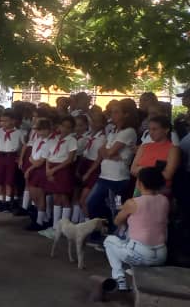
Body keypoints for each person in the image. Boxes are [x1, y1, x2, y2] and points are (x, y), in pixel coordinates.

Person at [104, 168, 169, 291]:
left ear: (139, 183)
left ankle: (120, 279)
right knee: (130, 238)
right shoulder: (165, 200)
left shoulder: (133, 202)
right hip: (161, 254)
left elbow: (117, 221)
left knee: (109, 241)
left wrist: (124, 215)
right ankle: (135, 274)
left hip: (141, 254)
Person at [86, 100, 139, 233]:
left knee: (115, 207)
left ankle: (114, 234)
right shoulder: (113, 131)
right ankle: (104, 231)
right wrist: (110, 154)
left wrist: (109, 154)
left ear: (126, 115)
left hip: (118, 178)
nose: (112, 115)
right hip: (105, 175)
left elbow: (108, 151)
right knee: (93, 203)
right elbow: (102, 151)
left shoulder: (128, 131)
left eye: (116, 112)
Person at [40, 117, 79, 237]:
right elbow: (48, 156)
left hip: (63, 169)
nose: (65, 129)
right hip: (52, 168)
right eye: (63, 126)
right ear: (59, 126)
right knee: (56, 197)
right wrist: (48, 170)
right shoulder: (54, 139)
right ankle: (55, 226)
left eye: (68, 127)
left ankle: (64, 228)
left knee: (64, 197)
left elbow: (70, 159)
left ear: (72, 129)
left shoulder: (71, 140)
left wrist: (54, 170)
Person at [131, 115, 180, 190]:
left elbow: (167, 175)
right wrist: (154, 170)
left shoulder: (173, 150)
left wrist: (142, 169)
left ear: (166, 130)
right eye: (149, 129)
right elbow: (133, 170)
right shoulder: (144, 147)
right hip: (140, 189)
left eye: (154, 129)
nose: (151, 132)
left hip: (160, 191)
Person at [0, 111, 25, 212]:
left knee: (9, 181)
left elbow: (24, 145)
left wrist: (21, 157)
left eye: (6, 121)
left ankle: (8, 202)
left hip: (11, 156)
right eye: (2, 121)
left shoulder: (19, 133)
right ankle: (0, 202)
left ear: (13, 121)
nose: (3, 123)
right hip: (1, 156)